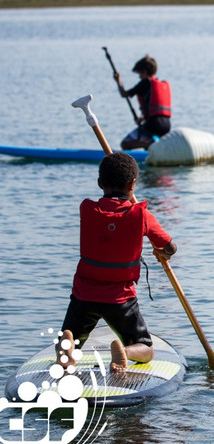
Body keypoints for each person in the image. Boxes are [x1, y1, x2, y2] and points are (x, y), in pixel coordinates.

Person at [56, 152, 177, 374]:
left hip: (84, 296)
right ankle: (126, 350)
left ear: (100, 183)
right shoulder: (142, 215)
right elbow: (170, 247)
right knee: (146, 348)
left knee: (73, 336)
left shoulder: (87, 208)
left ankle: (68, 348)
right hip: (120, 299)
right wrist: (162, 251)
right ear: (133, 184)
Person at [114, 55, 172, 150]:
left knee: (125, 144)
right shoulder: (160, 84)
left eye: (140, 74)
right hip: (166, 126)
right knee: (150, 144)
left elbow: (124, 94)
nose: (139, 77)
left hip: (154, 125)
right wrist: (143, 119)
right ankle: (151, 146)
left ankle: (148, 144)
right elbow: (155, 110)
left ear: (144, 72)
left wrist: (118, 81)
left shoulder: (145, 83)